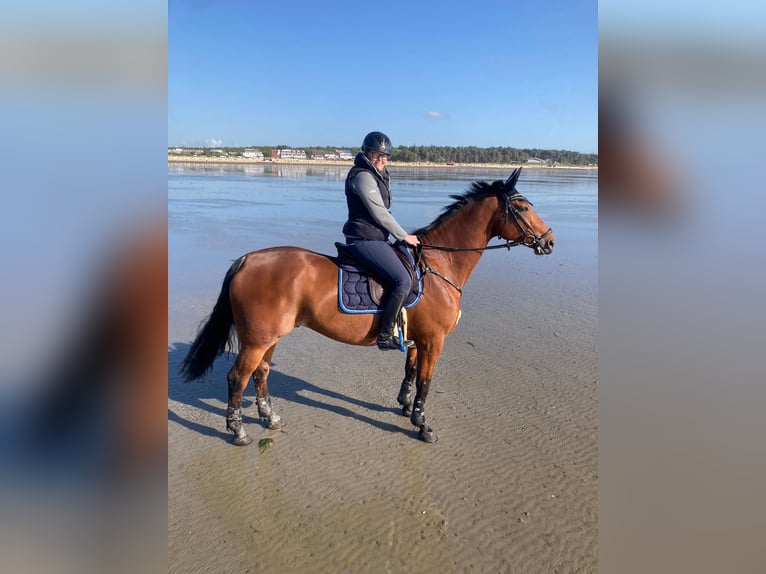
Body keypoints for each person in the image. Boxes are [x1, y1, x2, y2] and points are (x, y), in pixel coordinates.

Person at [342, 131, 420, 350]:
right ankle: (385, 337)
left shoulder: (381, 174)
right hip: (363, 239)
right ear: (366, 153)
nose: (381, 160)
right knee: (403, 280)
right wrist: (403, 235)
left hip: (376, 238)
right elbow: (380, 214)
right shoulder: (363, 176)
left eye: (385, 156)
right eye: (376, 155)